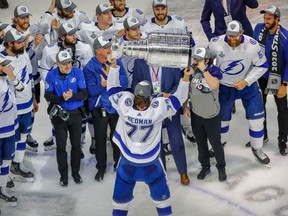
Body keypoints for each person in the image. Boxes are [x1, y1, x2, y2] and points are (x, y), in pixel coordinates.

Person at [107, 58, 192, 216]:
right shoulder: (157, 107)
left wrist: (113, 67)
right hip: (150, 163)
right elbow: (179, 99)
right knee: (163, 202)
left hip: (128, 162)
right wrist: (185, 78)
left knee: (120, 204)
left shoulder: (125, 104)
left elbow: (111, 89)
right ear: (149, 98)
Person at [208, 20, 270, 165]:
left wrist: (247, 81)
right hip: (225, 87)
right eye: (230, 36)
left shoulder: (252, 45)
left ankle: (257, 148)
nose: (232, 39)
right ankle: (220, 143)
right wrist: (213, 73)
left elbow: (263, 65)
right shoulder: (215, 43)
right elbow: (207, 62)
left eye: (235, 36)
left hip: (248, 87)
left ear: (241, 33)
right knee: (222, 119)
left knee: (257, 120)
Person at [131, 58, 190, 185]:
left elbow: (177, 84)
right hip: (150, 107)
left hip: (168, 105)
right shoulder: (139, 62)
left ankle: (183, 172)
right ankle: (162, 172)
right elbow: (135, 83)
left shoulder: (171, 61)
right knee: (157, 142)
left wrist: (168, 96)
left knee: (176, 140)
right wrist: (144, 100)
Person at [39, 22, 93, 151]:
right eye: (70, 34)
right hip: (57, 89)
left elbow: (88, 69)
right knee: (56, 114)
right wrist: (53, 84)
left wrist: (80, 85)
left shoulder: (85, 48)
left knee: (81, 117)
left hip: (78, 87)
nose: (74, 36)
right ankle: (58, 141)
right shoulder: (49, 50)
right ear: (62, 37)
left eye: (74, 33)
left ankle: (78, 144)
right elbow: (43, 68)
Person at [83, 36, 128, 181]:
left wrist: (111, 79)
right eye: (105, 47)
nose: (109, 49)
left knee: (117, 138)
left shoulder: (116, 61)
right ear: (97, 50)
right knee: (100, 140)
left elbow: (125, 82)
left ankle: (118, 164)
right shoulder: (89, 67)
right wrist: (103, 85)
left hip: (115, 106)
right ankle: (101, 168)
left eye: (109, 46)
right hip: (99, 107)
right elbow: (90, 91)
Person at [44, 50, 87, 187]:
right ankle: (63, 176)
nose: (68, 66)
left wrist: (72, 96)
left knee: (76, 146)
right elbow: (48, 96)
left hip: (75, 115)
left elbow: (84, 94)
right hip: (59, 116)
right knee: (61, 147)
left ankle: (76, 173)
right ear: (57, 63)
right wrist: (61, 98)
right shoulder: (51, 75)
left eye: (69, 62)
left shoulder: (78, 72)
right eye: (64, 63)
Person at [183, 48, 226, 181]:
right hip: (196, 115)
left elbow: (213, 85)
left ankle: (221, 167)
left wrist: (204, 70)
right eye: (195, 59)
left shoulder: (214, 71)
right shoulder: (191, 70)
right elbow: (185, 90)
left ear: (206, 60)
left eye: (198, 60)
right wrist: (185, 107)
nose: (195, 62)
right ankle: (205, 166)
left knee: (215, 143)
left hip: (211, 115)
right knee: (201, 143)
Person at [2, 29, 38, 182]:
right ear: (10, 43)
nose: (23, 44)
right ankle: (6, 171)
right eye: (19, 42)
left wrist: (34, 98)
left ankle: (18, 163)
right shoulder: (1, 59)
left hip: (27, 104)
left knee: (24, 134)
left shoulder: (23, 55)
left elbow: (29, 77)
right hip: (11, 109)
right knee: (11, 140)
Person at [253, 5, 288, 155]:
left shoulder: (285, 38)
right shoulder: (258, 29)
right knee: (260, 107)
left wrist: (284, 84)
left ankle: (283, 140)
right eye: (264, 18)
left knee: (282, 110)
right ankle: (263, 135)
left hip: (277, 78)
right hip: (261, 76)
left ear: (277, 19)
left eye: (269, 18)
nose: (265, 21)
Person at [11, 5, 47, 152]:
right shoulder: (10, 35)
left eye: (27, 17)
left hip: (34, 78)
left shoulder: (33, 32)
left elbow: (39, 57)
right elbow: (18, 59)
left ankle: (27, 135)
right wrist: (32, 47)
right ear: (15, 19)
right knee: (16, 111)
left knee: (32, 109)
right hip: (16, 81)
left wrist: (38, 45)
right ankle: (15, 140)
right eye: (22, 17)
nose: (26, 20)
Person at [0, 54, 21, 206]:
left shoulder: (7, 79)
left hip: (10, 127)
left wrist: (13, 78)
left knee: (7, 160)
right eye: (3, 65)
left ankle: (2, 189)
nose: (7, 67)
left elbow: (20, 88)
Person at [120, 16, 147, 92]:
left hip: (146, 84)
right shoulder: (120, 45)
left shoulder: (146, 39)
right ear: (126, 31)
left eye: (138, 28)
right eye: (134, 29)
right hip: (129, 87)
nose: (138, 32)